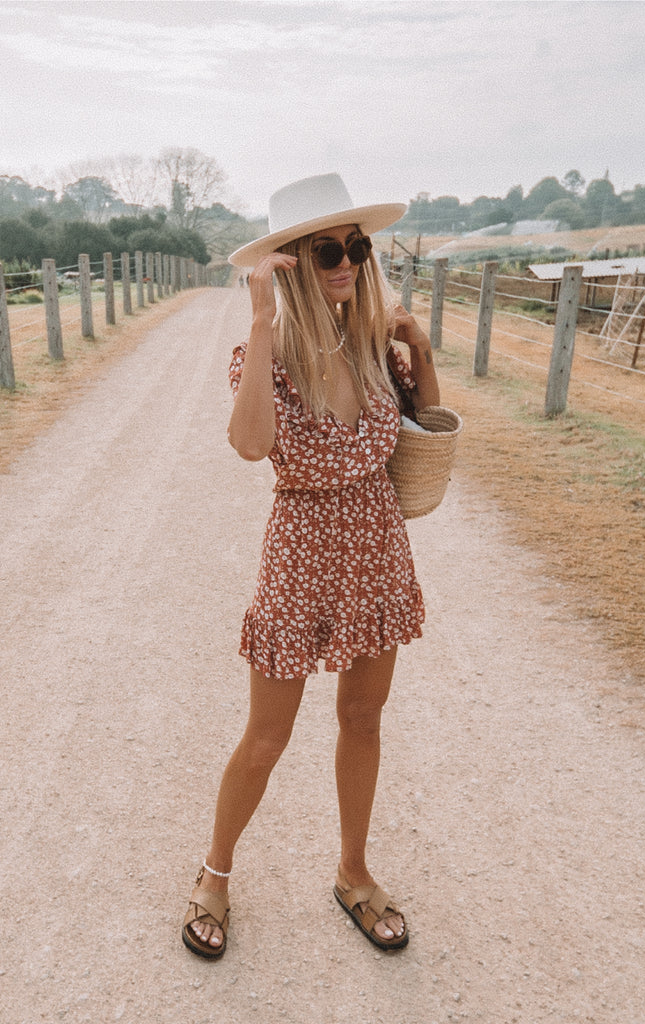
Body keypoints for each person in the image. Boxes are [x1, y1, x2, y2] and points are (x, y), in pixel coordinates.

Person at [181, 173, 440, 959]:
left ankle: (353, 873)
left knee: (363, 718)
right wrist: (261, 322)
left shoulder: (369, 345)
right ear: (291, 259)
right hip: (300, 556)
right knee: (266, 738)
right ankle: (213, 875)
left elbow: (427, 424)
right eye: (328, 248)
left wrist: (418, 346)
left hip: (377, 550)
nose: (346, 262)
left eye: (356, 246)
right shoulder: (265, 355)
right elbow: (253, 444)